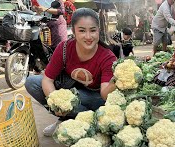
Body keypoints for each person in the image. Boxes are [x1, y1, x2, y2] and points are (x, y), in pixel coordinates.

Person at [25, 8, 117, 136]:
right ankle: (65, 119)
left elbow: (105, 95)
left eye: (93, 30)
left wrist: (116, 80)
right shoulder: (64, 48)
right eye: (82, 31)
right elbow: (47, 79)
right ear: (73, 31)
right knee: (32, 82)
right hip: (71, 89)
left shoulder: (108, 57)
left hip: (95, 98)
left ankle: (85, 122)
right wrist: (57, 104)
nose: (88, 36)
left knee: (78, 97)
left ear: (99, 31)